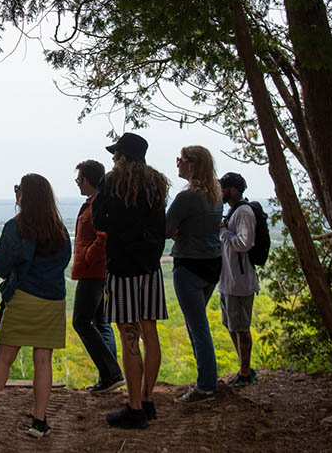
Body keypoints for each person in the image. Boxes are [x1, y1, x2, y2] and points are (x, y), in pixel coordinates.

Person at [0, 173, 71, 439]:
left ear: (25, 195)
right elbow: (64, 261)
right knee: (43, 361)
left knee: (4, 359)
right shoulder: (60, 228)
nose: (15, 193)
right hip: (53, 300)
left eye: (17, 189)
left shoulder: (17, 226)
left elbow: (0, 264)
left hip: (23, 298)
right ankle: (39, 421)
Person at [92, 133, 169, 429]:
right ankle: (147, 400)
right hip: (150, 267)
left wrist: (118, 225)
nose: (112, 158)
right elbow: (160, 226)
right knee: (150, 332)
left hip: (123, 266)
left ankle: (134, 408)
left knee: (129, 337)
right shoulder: (157, 183)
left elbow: (99, 221)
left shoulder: (112, 182)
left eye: (115, 154)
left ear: (123, 156)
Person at [166, 145, 223, 403]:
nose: (177, 163)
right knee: (199, 326)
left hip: (189, 265)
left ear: (192, 164)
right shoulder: (216, 195)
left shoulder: (187, 197)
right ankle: (206, 380)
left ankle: (206, 386)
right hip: (212, 264)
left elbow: (166, 229)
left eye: (181, 159)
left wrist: (177, 230)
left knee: (198, 328)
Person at [71, 160, 124, 393]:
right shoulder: (94, 202)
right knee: (101, 322)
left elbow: (103, 236)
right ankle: (111, 378)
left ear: (86, 180)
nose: (77, 184)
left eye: (78, 180)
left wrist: (89, 259)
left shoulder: (98, 204)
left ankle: (112, 374)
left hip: (93, 272)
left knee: (81, 322)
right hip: (97, 272)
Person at [218, 172, 260, 387]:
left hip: (240, 282)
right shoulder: (233, 211)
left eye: (224, 188)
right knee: (232, 326)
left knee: (241, 327)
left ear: (234, 190)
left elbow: (245, 243)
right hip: (230, 281)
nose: (221, 192)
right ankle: (243, 368)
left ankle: (245, 372)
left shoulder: (243, 213)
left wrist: (224, 233)